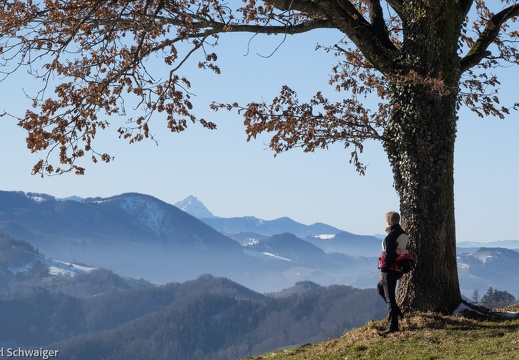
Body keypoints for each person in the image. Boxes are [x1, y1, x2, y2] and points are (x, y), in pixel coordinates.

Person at [376, 211, 409, 335]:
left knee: (390, 298)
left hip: (390, 269)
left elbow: (389, 255)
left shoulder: (392, 235)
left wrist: (383, 271)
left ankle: (393, 326)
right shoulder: (404, 234)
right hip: (399, 268)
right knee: (380, 288)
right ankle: (398, 313)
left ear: (388, 221)